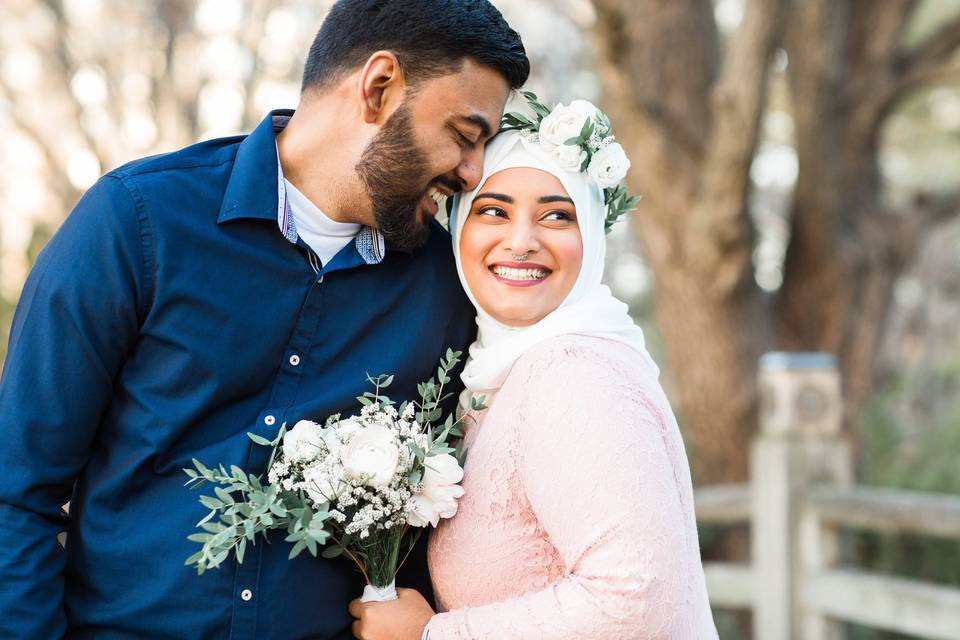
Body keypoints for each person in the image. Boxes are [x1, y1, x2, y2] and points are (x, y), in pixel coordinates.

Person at [0, 1, 528, 637]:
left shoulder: (449, 290)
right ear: (379, 87)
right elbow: (16, 494)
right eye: (465, 136)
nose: (473, 173)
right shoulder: (137, 223)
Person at [348, 106, 719, 638]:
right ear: (458, 229)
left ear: (590, 235)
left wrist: (431, 636)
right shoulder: (505, 374)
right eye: (494, 212)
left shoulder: (574, 373)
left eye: (556, 215)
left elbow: (635, 600)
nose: (521, 241)